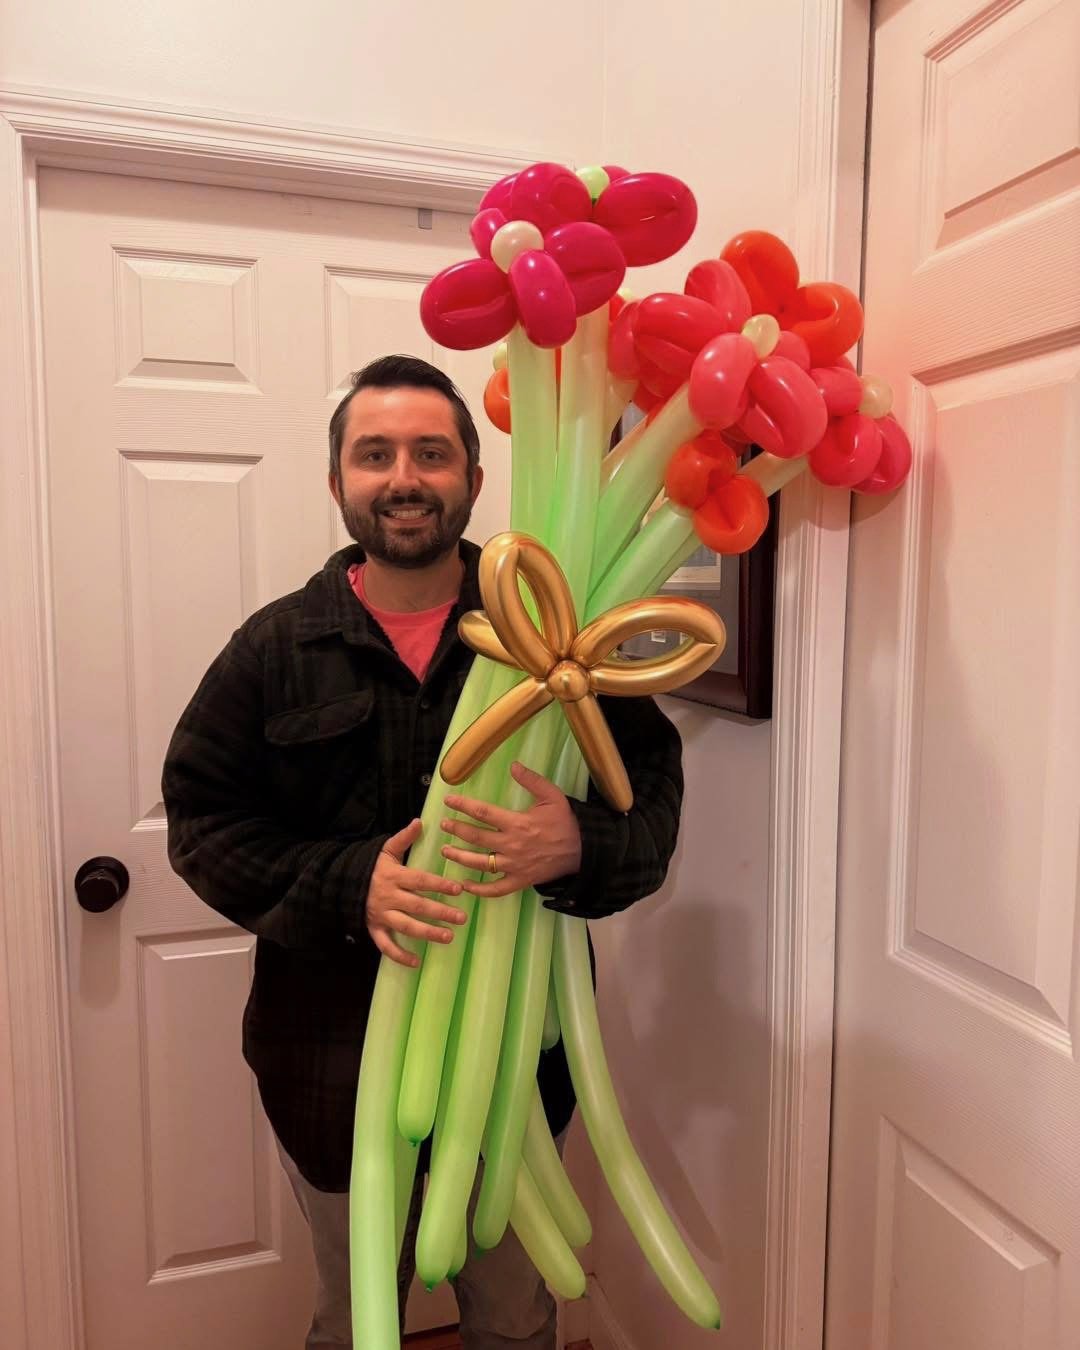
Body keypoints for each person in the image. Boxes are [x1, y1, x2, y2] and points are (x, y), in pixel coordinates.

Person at [162, 354, 684, 1349]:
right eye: (376, 454)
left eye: (432, 453)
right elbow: (201, 825)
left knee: (514, 1315)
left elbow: (654, 805)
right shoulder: (274, 651)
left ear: (474, 480)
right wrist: (349, 885)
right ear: (338, 484)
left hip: (515, 1075)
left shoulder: (554, 631)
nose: (405, 477)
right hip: (329, 1061)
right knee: (356, 1317)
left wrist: (583, 840)